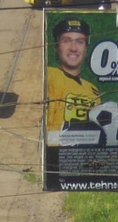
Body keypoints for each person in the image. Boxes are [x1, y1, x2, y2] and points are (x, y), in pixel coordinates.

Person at [45, 18, 100, 146]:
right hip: (56, 157)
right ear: (56, 47)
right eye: (67, 41)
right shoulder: (49, 75)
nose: (73, 48)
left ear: (86, 48)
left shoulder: (92, 89)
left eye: (80, 42)